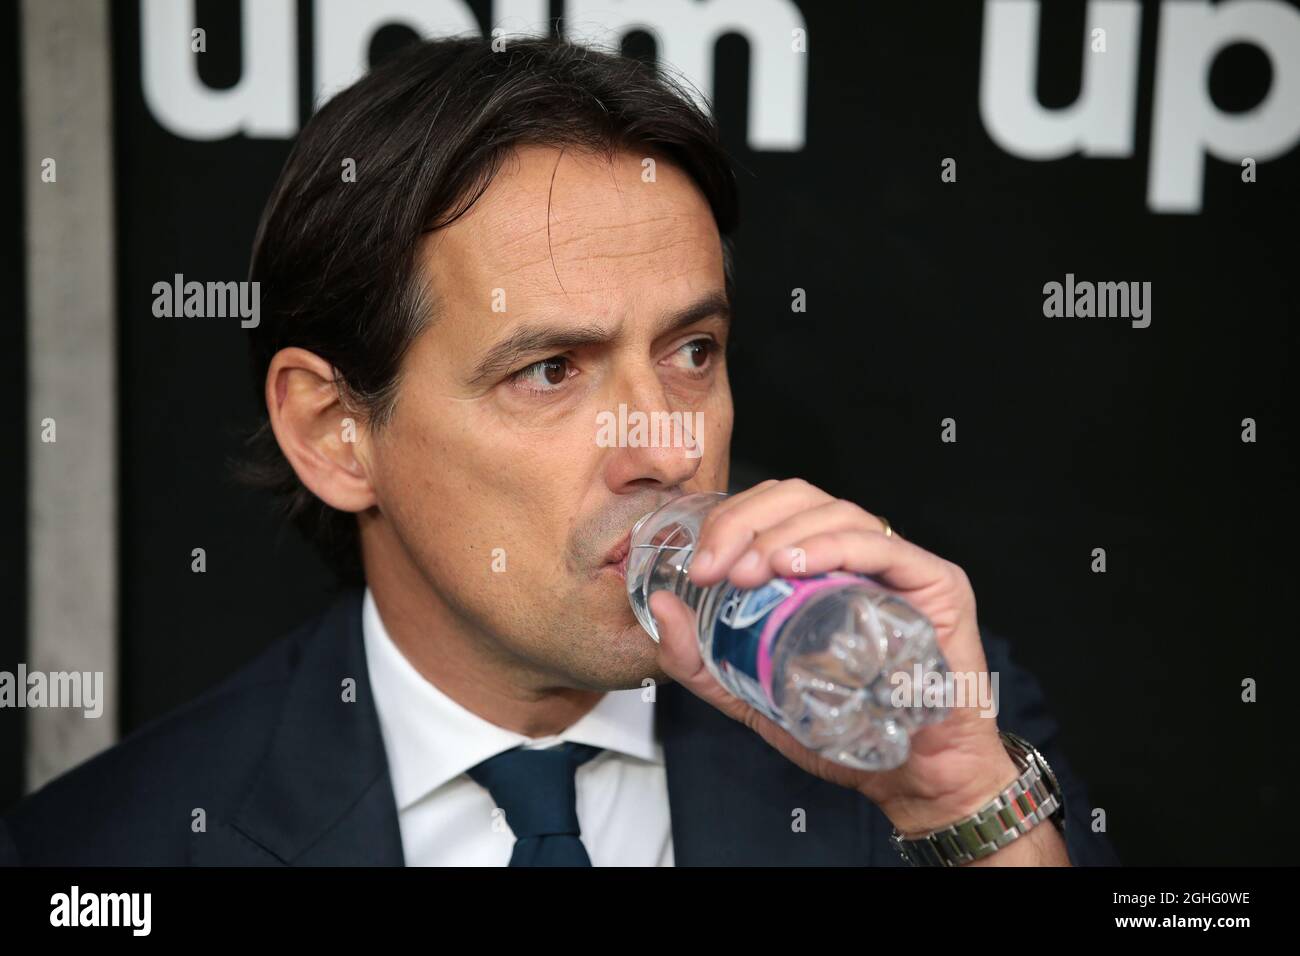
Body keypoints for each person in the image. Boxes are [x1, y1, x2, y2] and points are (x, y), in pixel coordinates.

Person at [0, 36, 1119, 867]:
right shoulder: (110, 852)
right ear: (335, 433)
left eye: (691, 349)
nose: (664, 444)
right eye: (551, 370)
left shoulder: (898, 705)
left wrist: (954, 803)